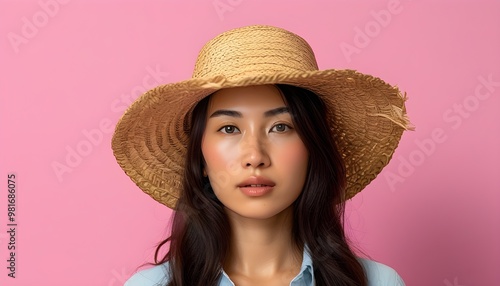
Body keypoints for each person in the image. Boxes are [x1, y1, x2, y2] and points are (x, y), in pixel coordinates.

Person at [112, 25, 413, 286]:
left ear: (312, 150)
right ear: (200, 158)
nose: (255, 156)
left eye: (280, 127)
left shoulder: (378, 282)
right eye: (229, 128)